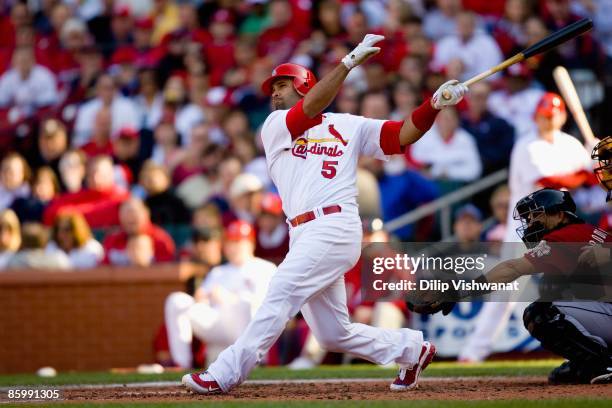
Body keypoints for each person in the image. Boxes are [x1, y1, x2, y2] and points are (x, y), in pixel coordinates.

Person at [181, 34, 468, 394]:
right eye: (273, 87)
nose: (274, 92)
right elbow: (309, 110)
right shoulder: (274, 126)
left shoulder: (349, 124)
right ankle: (411, 349)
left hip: (335, 223)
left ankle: (226, 372)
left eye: (282, 85)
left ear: (303, 85)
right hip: (303, 231)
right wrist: (347, 64)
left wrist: (435, 104)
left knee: (281, 290)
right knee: (333, 334)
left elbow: (400, 136)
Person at [411, 189, 612, 384]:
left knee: (541, 313)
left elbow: (512, 268)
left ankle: (602, 364)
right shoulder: (582, 232)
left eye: (536, 215)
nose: (531, 223)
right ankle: (587, 363)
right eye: (528, 218)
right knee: (551, 289)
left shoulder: (564, 237)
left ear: (559, 215)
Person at [165, 221, 276, 368]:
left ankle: (251, 361)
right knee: (177, 300)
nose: (234, 247)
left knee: (244, 303)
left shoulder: (264, 268)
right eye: (230, 242)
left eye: (238, 242)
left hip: (246, 328)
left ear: (251, 244)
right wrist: (201, 297)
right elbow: (202, 299)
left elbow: (263, 305)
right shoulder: (218, 271)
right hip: (217, 324)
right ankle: (182, 363)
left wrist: (229, 299)